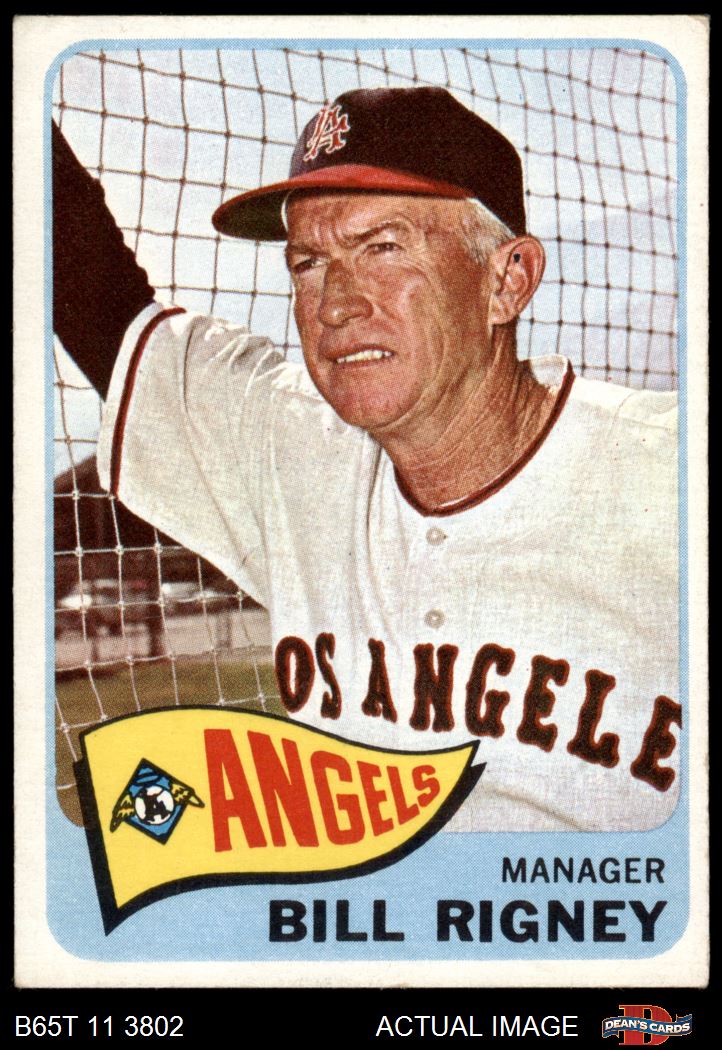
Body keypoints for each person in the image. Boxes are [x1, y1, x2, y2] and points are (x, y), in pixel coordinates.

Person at [53, 86, 680, 833]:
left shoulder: (669, 478)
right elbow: (97, 299)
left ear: (507, 279)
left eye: (383, 247)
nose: (337, 304)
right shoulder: (289, 447)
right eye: (308, 262)